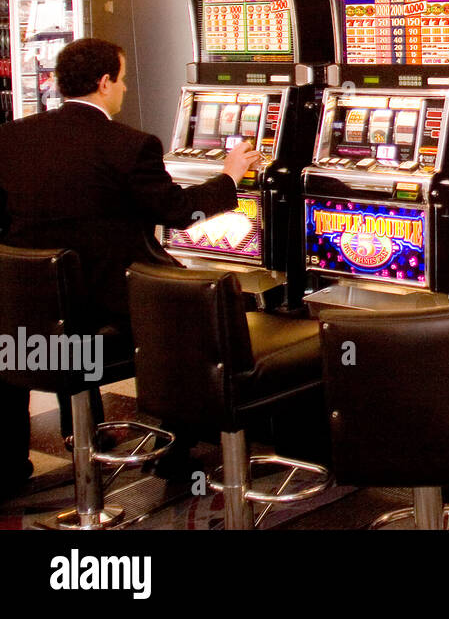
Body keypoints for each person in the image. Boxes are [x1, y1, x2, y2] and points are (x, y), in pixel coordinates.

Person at [0, 37, 260, 497]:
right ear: (104, 83)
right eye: (121, 79)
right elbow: (178, 211)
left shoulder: (12, 137)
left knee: (36, 327)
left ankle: (19, 464)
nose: (122, 88)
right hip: (106, 312)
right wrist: (229, 176)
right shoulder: (130, 145)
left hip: (31, 316)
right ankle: (177, 458)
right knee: (186, 312)